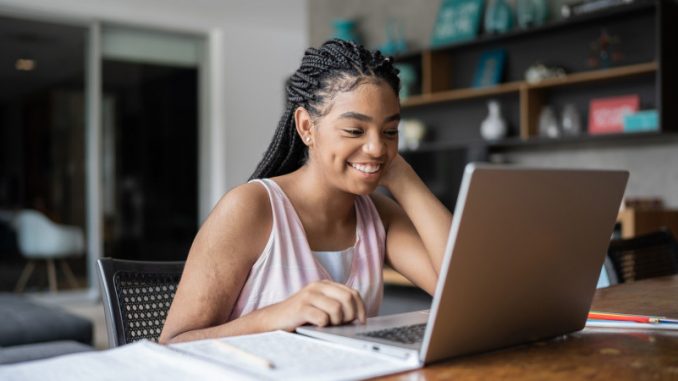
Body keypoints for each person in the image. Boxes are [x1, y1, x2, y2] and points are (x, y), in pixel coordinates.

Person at [159, 39, 452, 344]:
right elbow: (173, 344)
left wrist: (404, 178)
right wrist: (277, 316)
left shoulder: (378, 215)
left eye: (390, 132)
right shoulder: (250, 208)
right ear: (306, 127)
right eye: (355, 130)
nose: (377, 147)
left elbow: (459, 291)